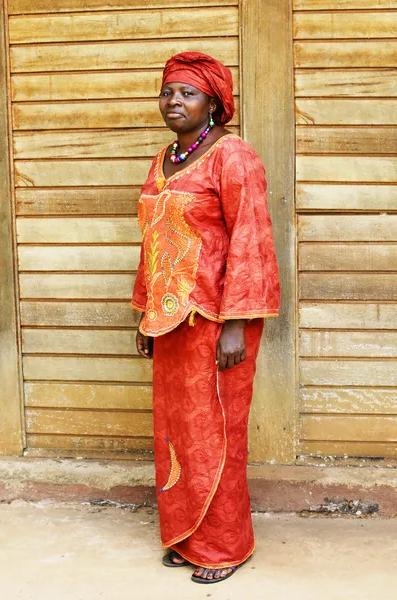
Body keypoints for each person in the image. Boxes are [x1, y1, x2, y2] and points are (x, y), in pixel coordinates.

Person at [131, 52, 280, 584]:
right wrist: (146, 312)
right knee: (178, 432)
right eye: (168, 91)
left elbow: (251, 239)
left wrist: (237, 322)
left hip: (218, 322)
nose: (175, 100)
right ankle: (188, 535)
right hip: (169, 321)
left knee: (216, 432)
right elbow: (153, 243)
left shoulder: (232, 156)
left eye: (188, 93)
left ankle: (224, 546)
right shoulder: (162, 160)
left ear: (214, 104)